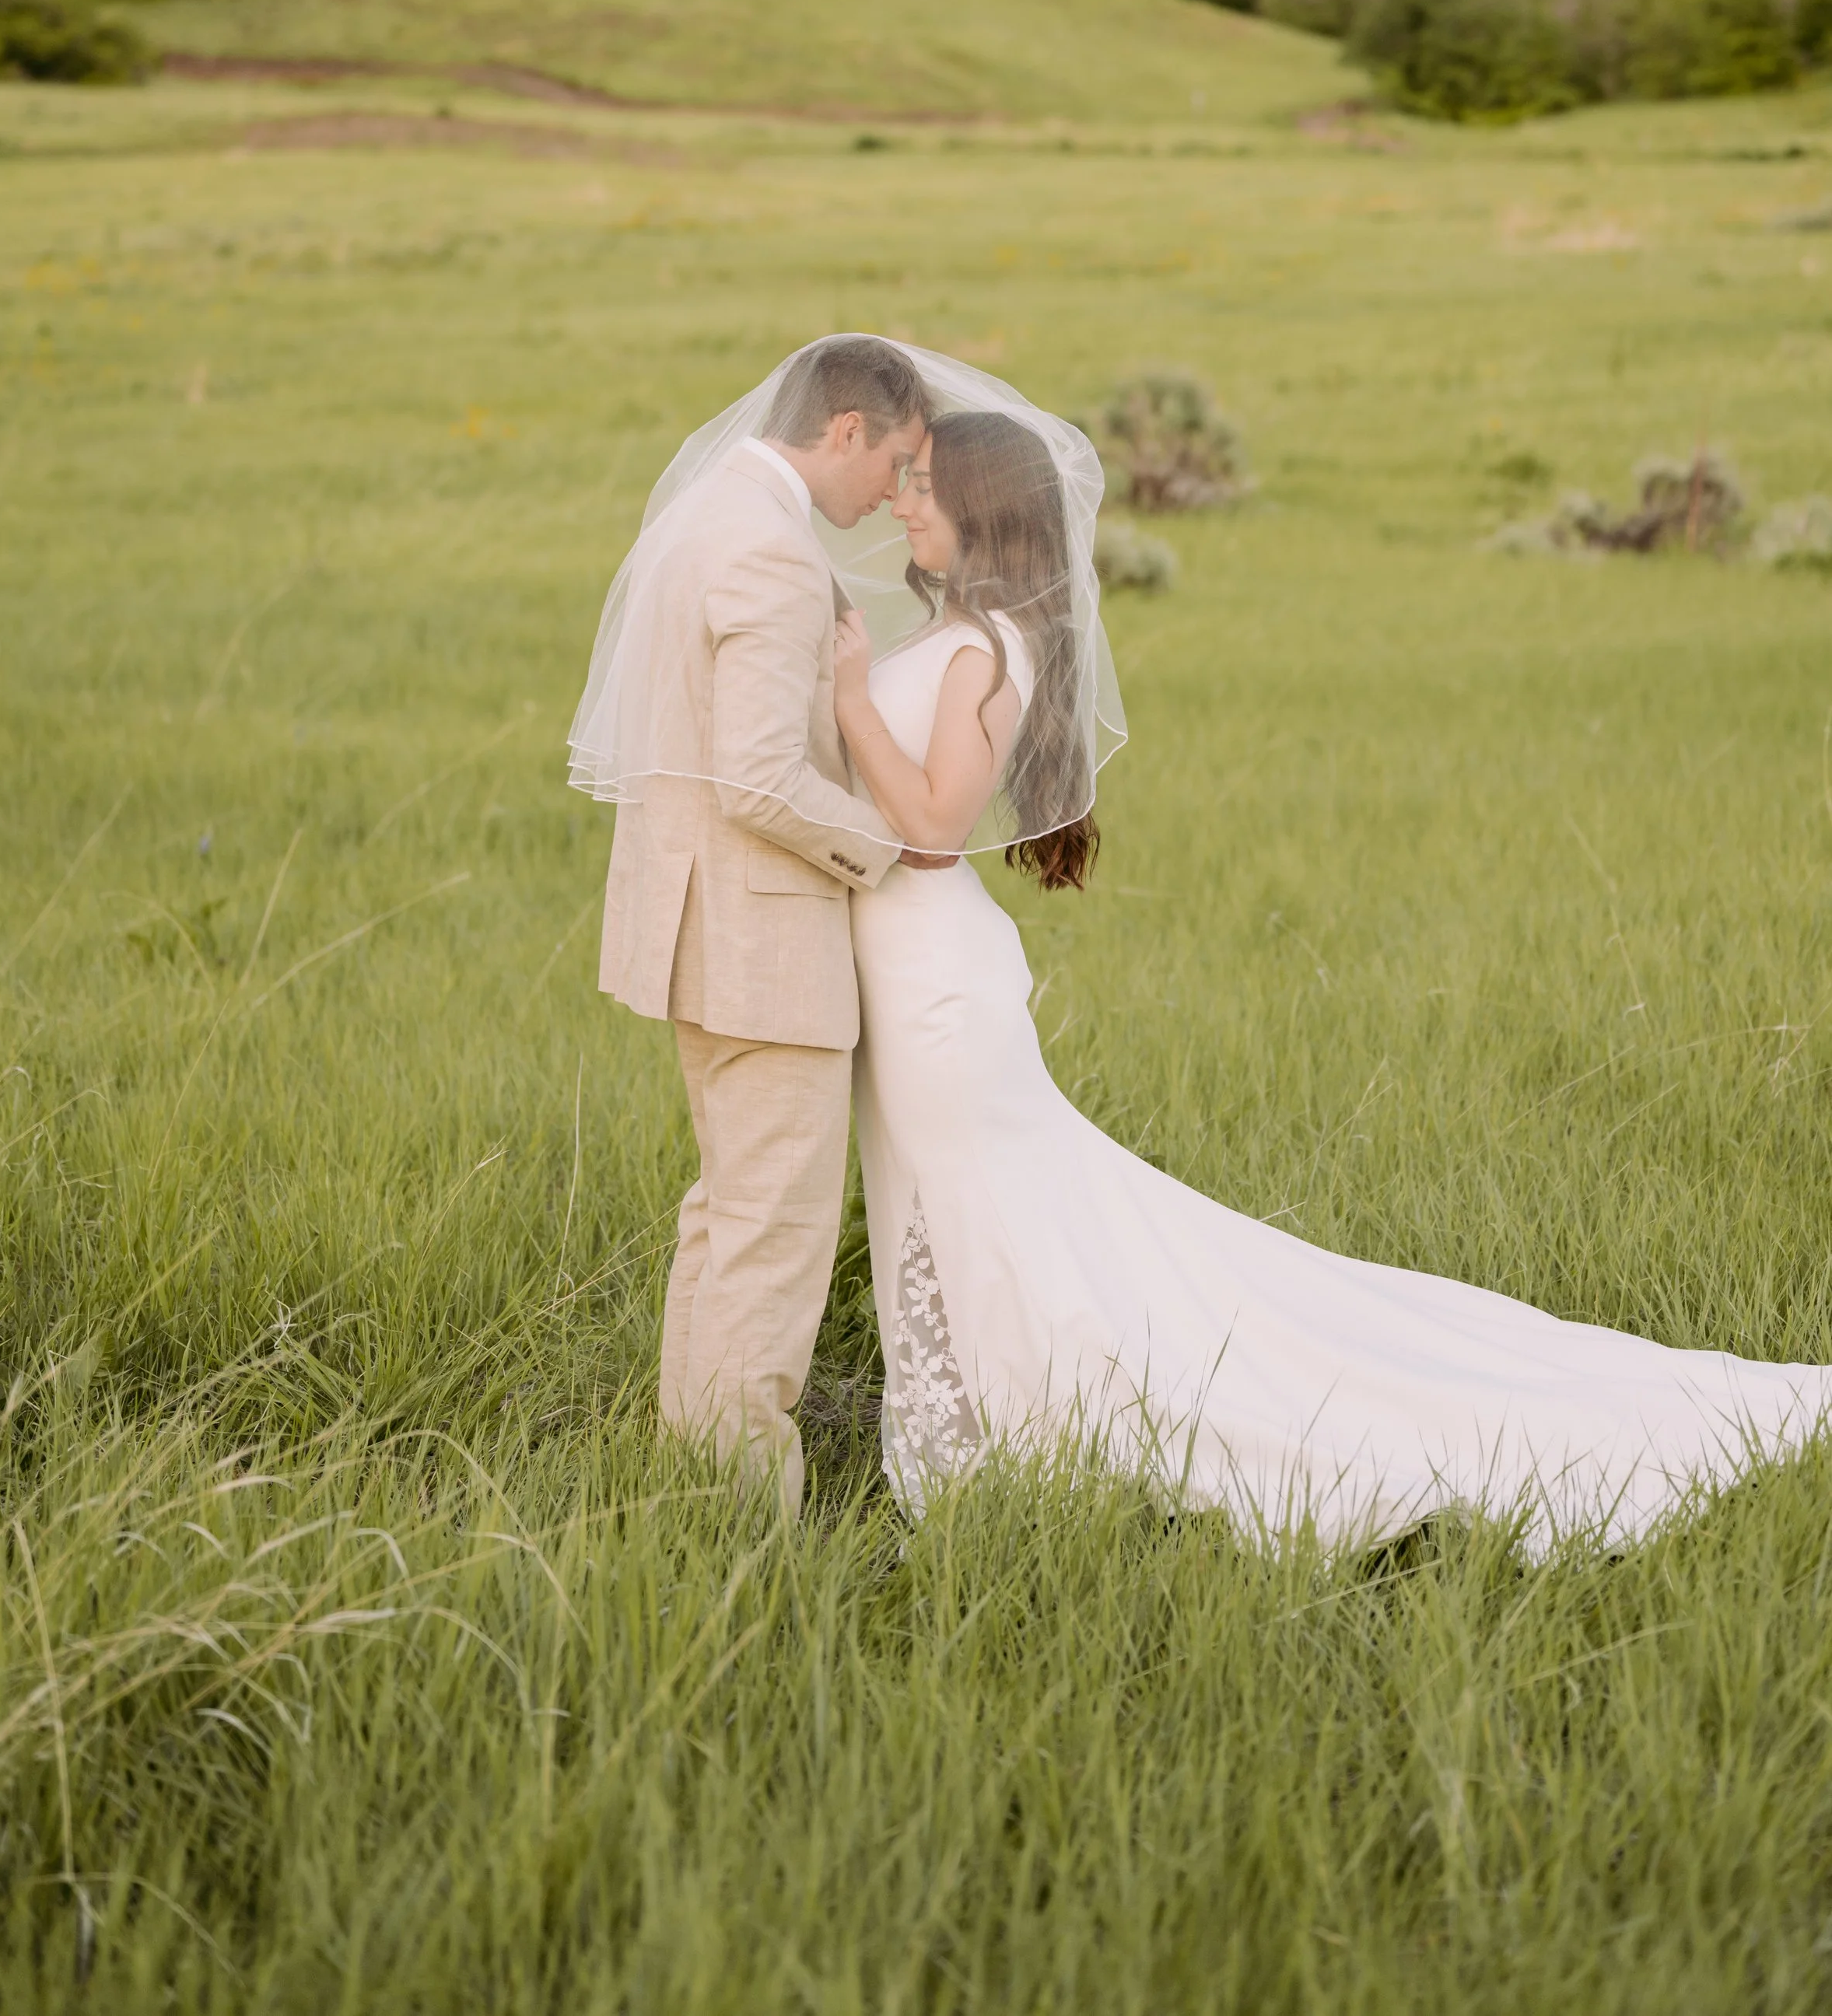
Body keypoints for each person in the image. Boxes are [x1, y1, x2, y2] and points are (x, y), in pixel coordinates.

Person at [829, 402, 1832, 1552]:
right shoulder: (955, 633)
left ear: (982, 508)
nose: (903, 502)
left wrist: (852, 694)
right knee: (956, 1209)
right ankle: (979, 1437)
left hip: (936, 989)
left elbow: (933, 830)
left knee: (996, 1216)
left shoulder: (982, 648)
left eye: (923, 486)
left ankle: (1014, 1443)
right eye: (899, 483)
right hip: (910, 978)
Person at [573, 335, 929, 1517]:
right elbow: (762, 779)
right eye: (891, 460)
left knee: (726, 1214)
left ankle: (687, 1484)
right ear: (844, 430)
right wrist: (894, 849)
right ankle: (743, 1517)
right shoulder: (774, 555)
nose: (891, 492)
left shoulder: (705, 508)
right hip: (763, 947)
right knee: (772, 1239)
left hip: (697, 931)